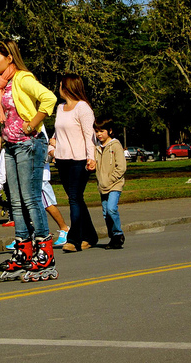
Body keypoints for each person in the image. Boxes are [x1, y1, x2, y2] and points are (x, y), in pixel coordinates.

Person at [0, 38, 58, 282]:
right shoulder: (1, 84)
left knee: (31, 199)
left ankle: (44, 251)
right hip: (11, 146)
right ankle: (24, 250)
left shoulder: (22, 78)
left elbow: (49, 98)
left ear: (9, 58)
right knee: (15, 202)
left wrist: (33, 123)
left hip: (29, 145)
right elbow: (8, 116)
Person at [53, 74, 98, 253]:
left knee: (74, 198)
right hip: (62, 159)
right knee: (77, 199)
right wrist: (52, 146)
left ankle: (74, 239)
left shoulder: (83, 108)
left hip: (79, 160)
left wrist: (91, 157)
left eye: (60, 85)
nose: (58, 88)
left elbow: (90, 135)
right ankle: (91, 236)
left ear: (67, 87)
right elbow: (58, 132)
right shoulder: (60, 107)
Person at [93, 117, 126, 249]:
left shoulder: (115, 145)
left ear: (110, 131)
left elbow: (121, 167)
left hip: (114, 184)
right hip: (102, 185)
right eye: (96, 131)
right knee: (106, 213)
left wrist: (111, 179)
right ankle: (113, 237)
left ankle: (118, 233)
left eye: (102, 131)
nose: (99, 134)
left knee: (112, 209)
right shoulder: (97, 147)